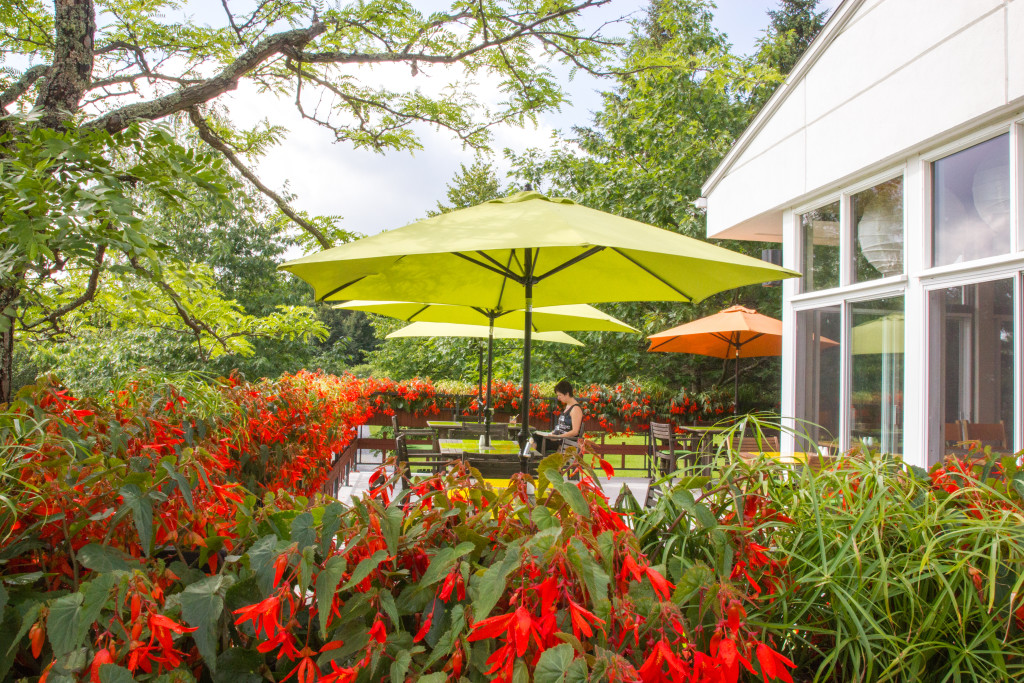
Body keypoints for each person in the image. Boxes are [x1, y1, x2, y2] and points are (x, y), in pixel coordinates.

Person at [532, 380, 584, 454]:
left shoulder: (575, 409)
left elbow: (575, 432)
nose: (558, 398)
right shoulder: (568, 406)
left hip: (564, 441)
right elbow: (561, 426)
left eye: (560, 395)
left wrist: (558, 437)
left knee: (536, 439)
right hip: (558, 438)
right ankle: (532, 460)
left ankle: (531, 461)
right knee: (534, 435)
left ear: (567, 394)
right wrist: (552, 433)